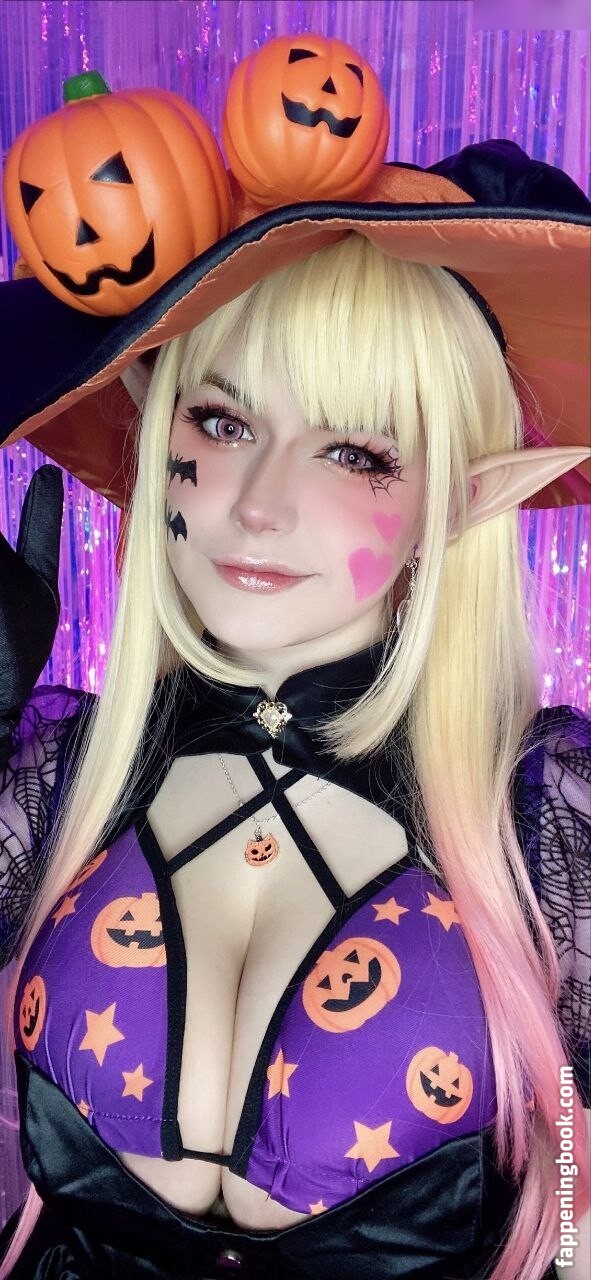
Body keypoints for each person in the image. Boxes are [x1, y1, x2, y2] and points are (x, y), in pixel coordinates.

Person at [0, 39, 590, 1280]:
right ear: (158, 431)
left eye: (354, 452)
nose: (259, 503)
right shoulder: (60, 774)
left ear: (458, 496)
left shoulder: (547, 818)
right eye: (224, 422)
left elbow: (581, 1205)